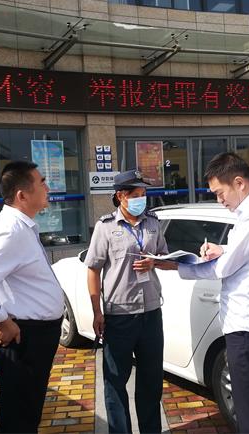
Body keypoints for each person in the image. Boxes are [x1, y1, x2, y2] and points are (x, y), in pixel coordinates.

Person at [165, 152, 249, 433]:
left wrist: (177, 266)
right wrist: (223, 249)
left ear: (239, 182)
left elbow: (224, 268)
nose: (219, 200)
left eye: (220, 193)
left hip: (248, 323)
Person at [0, 161, 64, 433]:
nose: (48, 188)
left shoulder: (21, 226)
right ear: (22, 195)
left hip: (34, 336)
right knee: (19, 418)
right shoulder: (11, 230)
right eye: (42, 182)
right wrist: (2, 320)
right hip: (24, 338)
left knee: (26, 412)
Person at [84, 170, 172, 434]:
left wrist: (154, 262)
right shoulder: (105, 227)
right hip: (119, 315)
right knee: (115, 383)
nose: (141, 199)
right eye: (136, 195)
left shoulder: (153, 223)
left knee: (151, 381)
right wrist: (97, 312)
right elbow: (93, 269)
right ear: (121, 196)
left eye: (143, 194)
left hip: (151, 313)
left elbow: (167, 259)